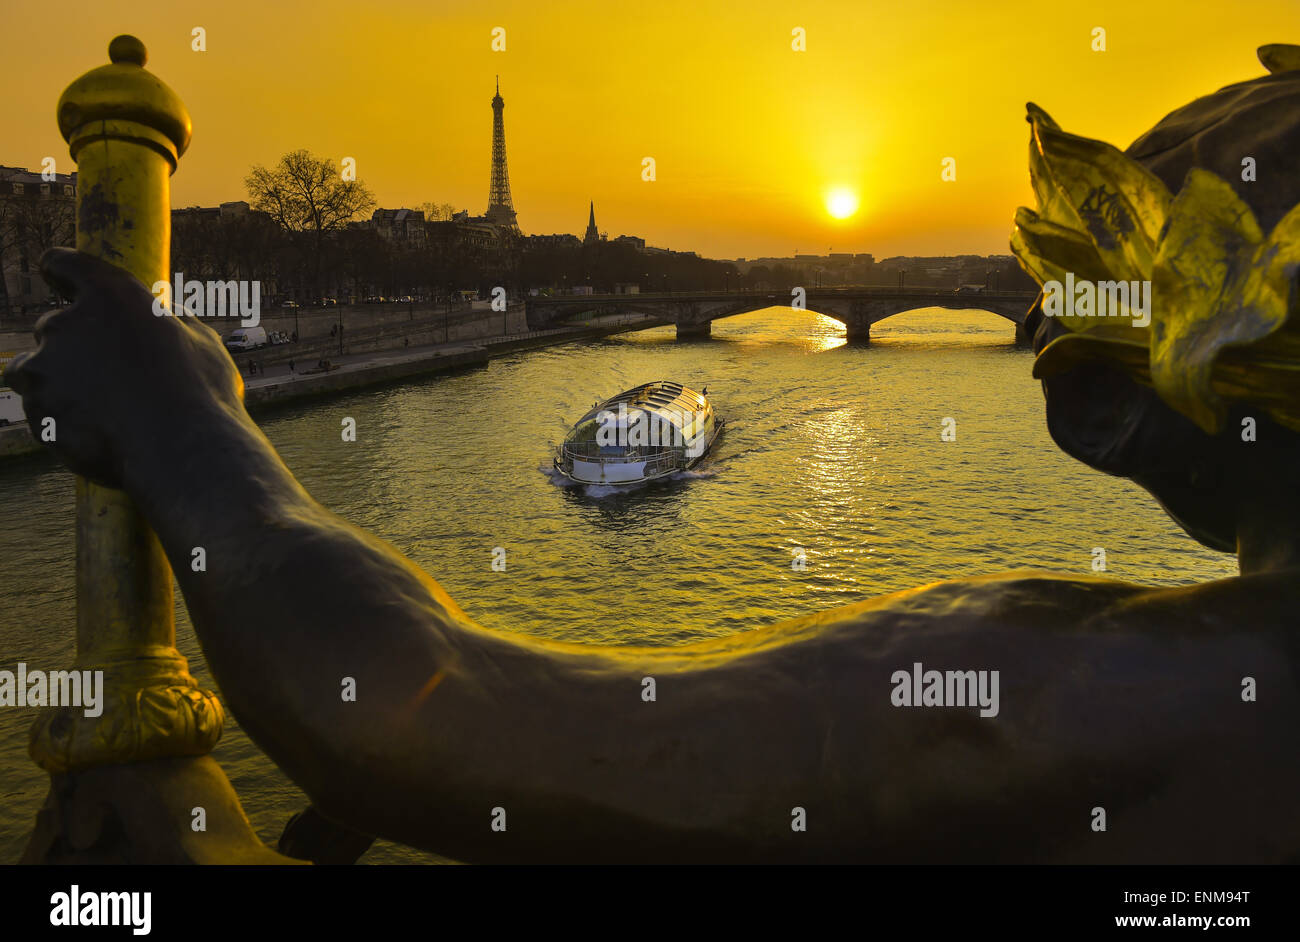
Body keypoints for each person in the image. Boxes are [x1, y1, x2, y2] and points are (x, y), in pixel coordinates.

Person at [5, 49, 1300, 864]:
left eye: (1091, 301)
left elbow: (432, 709)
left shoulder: (1114, 688)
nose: (1045, 343)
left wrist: (183, 415)